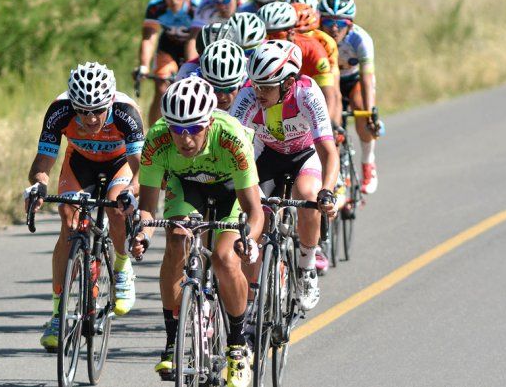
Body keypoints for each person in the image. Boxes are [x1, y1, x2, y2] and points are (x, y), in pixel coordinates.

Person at [126, 76, 264, 387]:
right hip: (186, 187)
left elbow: (254, 210)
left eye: (194, 129)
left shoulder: (231, 137)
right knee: (176, 238)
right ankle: (173, 342)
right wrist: (141, 235)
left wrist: (250, 241)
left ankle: (238, 347)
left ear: (209, 122)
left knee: (225, 258)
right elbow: (148, 207)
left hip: (232, 190)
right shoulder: (158, 139)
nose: (185, 139)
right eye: (177, 129)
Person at [24, 62, 145, 351]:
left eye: (98, 111)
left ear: (110, 102)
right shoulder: (59, 110)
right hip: (79, 163)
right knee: (68, 221)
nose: (90, 119)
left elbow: (142, 171)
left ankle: (121, 267)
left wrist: (130, 193)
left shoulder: (127, 113)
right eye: (83, 111)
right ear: (73, 105)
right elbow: (41, 164)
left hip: (121, 165)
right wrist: (39, 186)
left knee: (117, 208)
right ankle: (57, 314)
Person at [230, 40, 339, 305]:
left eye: (266, 86)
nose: (258, 92)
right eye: (255, 84)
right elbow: (233, 148)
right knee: (256, 213)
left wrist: (328, 191)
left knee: (307, 194)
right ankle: (253, 296)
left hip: (304, 155)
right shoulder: (247, 96)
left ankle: (306, 267)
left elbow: (328, 151)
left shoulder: (307, 93)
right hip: (267, 155)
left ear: (288, 83)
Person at [318, 0, 381, 193]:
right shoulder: (316, 38)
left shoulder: (361, 40)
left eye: (341, 23)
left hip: (353, 80)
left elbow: (367, 76)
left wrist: (370, 110)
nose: (334, 28)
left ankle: (368, 163)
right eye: (328, 22)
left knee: (362, 109)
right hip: (327, 82)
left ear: (350, 24)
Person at [135, 0, 201, 124]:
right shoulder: (156, 6)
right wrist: (143, 65)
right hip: (169, 45)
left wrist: (191, 67)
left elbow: (194, 39)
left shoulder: (198, 5)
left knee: (191, 89)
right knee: (161, 88)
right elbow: (149, 38)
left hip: (194, 45)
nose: (173, 0)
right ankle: (152, 135)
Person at [257, 1, 341, 125]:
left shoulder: (313, 50)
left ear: (291, 32)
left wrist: (326, 128)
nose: (270, 40)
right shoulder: (258, 49)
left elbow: (329, 93)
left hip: (307, 102)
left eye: (276, 34)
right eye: (266, 35)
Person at [185, 0, 249, 60]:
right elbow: (194, 38)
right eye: (216, 0)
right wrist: (190, 65)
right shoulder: (206, 5)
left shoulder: (247, 9)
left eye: (226, 0)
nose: (221, 5)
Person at [199, 39, 248, 111]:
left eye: (228, 89)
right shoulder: (193, 84)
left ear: (242, 79)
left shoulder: (252, 90)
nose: (221, 96)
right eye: (214, 88)